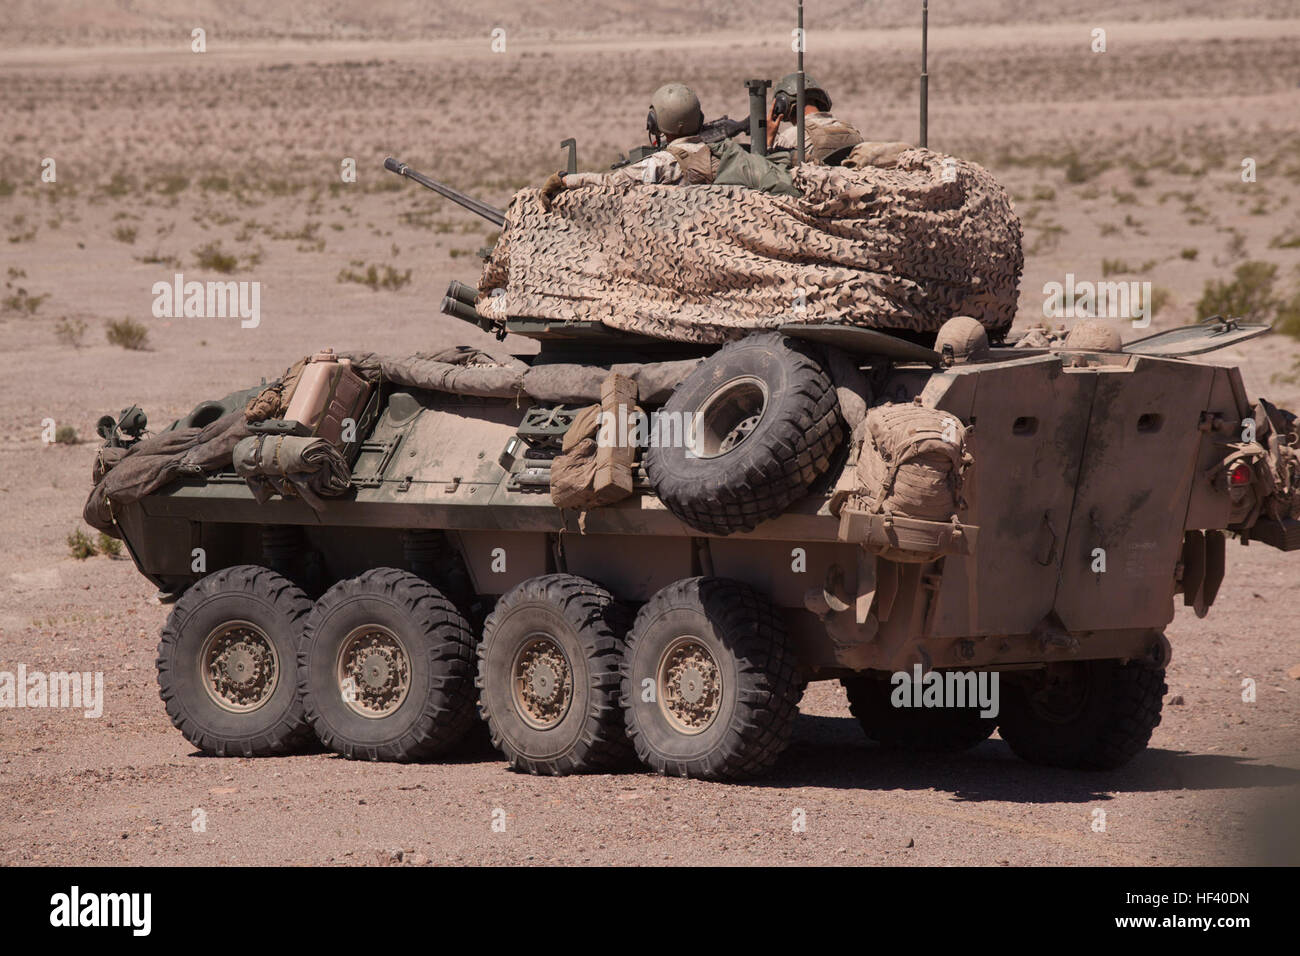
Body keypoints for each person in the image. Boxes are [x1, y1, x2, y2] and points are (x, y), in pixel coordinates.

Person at [539, 82, 799, 208]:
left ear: (656, 122)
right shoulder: (725, 153)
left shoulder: (665, 163)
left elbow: (611, 184)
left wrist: (566, 181)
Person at [766, 72, 864, 166]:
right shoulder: (853, 132)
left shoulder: (792, 136)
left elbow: (769, 171)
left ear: (782, 104)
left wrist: (768, 140)